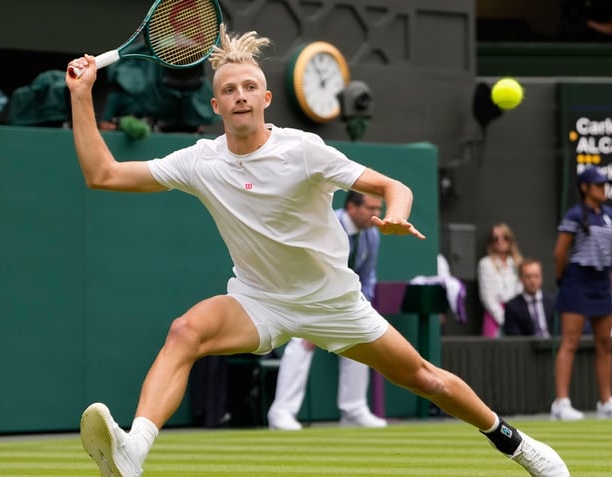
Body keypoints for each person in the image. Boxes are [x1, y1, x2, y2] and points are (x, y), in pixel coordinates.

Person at [66, 24, 568, 477]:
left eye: (247, 88)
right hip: (259, 300)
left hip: (333, 303)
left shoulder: (303, 150)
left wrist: (396, 211)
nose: (239, 96)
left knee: (426, 380)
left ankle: (517, 445)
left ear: (265, 98)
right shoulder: (200, 162)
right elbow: (102, 174)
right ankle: (133, 451)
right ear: (215, 106)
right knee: (186, 331)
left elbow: (392, 184)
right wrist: (83, 96)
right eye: (227, 90)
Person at [267, 191, 387, 430]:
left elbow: (367, 275)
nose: (376, 215)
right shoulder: (325, 227)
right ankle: (281, 413)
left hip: (344, 302)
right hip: (305, 297)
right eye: (370, 209)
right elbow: (312, 272)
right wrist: (316, 318)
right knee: (300, 344)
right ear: (351, 207)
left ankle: (354, 410)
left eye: (378, 209)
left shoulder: (372, 234)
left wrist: (365, 307)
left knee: (362, 340)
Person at [551, 165, 612, 421]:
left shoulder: (609, 214)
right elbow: (559, 253)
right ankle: (561, 403)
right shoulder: (574, 215)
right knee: (570, 342)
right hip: (577, 280)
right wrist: (563, 279)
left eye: (604, 184)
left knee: (604, 343)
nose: (602, 188)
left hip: (600, 281)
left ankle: (606, 401)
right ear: (585, 188)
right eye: (598, 184)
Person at [477, 223, 523, 337]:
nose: (500, 241)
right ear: (491, 242)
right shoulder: (485, 264)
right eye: (495, 238)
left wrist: (514, 315)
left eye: (505, 238)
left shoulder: (518, 263)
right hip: (494, 316)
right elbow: (487, 297)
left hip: (517, 314)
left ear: (510, 241)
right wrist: (504, 318)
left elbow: (521, 290)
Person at [503, 258, 556, 337]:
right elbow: (514, 337)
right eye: (528, 277)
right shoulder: (512, 306)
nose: (532, 281)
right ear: (521, 279)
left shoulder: (553, 302)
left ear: (541, 278)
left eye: (536, 276)